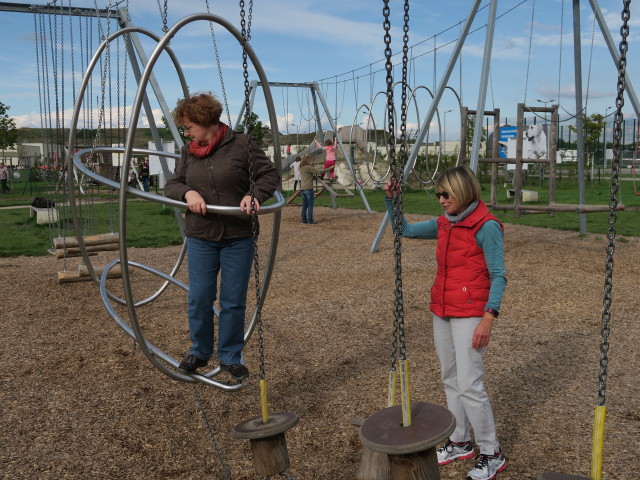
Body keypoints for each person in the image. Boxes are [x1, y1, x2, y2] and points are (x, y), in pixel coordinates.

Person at [384, 165, 507, 480]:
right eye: (438, 194)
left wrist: (488, 317)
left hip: (471, 314)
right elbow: (405, 230)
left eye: (445, 194)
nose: (440, 199)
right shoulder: (444, 224)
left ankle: (492, 452)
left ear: (462, 192)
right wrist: (393, 202)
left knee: (470, 384)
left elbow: (498, 275)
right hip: (442, 310)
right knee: (450, 377)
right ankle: (460, 440)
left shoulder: (486, 226)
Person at [164, 93, 280, 381]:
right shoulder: (188, 151)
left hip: (238, 235)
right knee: (200, 297)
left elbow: (269, 176)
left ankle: (230, 356)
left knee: (233, 300)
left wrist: (255, 195)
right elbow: (172, 185)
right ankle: (199, 351)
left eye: (190, 127)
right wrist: (187, 192)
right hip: (202, 235)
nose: (187, 133)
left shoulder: (243, 145)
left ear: (206, 122)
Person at [299, 154, 333, 224]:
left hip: (302, 189)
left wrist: (312, 167)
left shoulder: (302, 167)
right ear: (307, 160)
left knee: (305, 205)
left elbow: (308, 175)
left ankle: (304, 219)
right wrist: (330, 168)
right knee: (310, 205)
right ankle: (310, 220)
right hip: (308, 188)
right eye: (310, 160)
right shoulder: (308, 167)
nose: (311, 161)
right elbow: (319, 171)